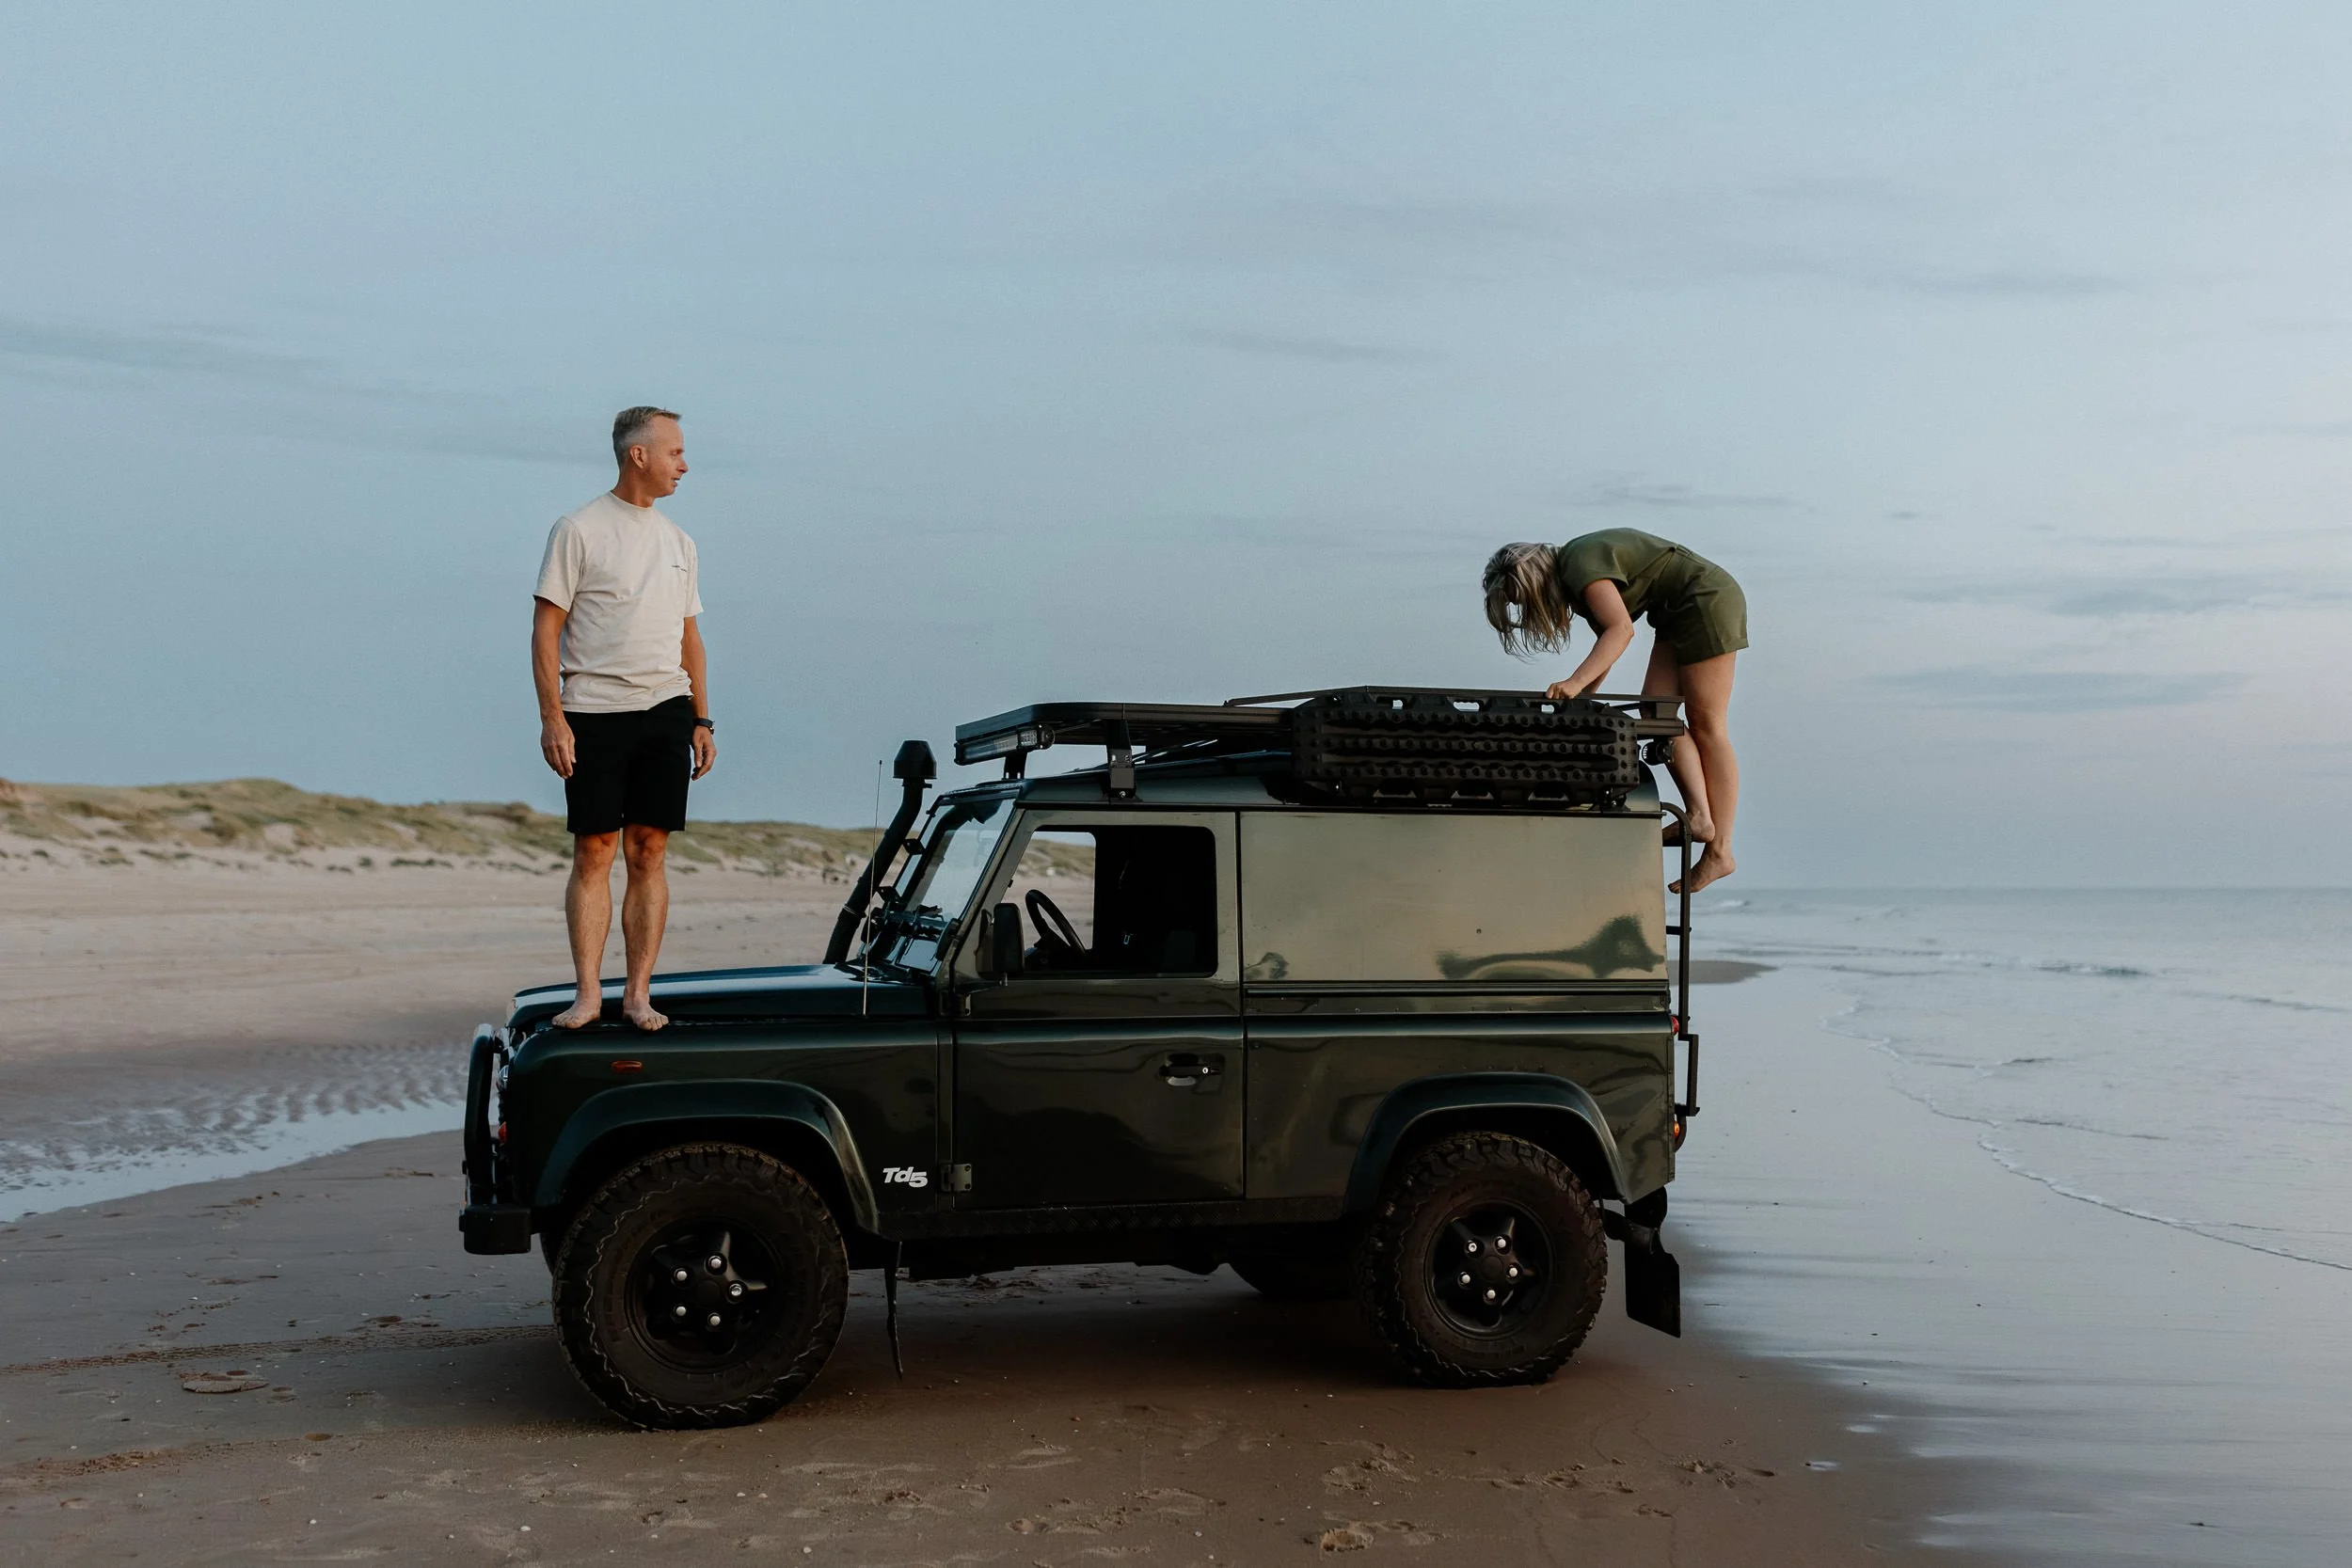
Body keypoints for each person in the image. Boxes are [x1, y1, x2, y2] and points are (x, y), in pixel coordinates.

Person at [532, 406, 716, 1030]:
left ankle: (637, 994)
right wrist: (552, 717)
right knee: (595, 850)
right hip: (593, 708)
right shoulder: (578, 529)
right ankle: (588, 995)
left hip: (666, 707)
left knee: (649, 850)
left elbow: (691, 639)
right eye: (675, 453)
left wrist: (702, 719)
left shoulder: (681, 542)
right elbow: (546, 629)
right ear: (639, 454)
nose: (684, 464)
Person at [1483, 528, 1744, 894]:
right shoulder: (1577, 586)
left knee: (1708, 725)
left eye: (1525, 600)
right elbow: (1608, 643)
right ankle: (1700, 818)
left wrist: (1574, 683)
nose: (1528, 610)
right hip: (1674, 613)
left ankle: (1721, 851)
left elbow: (1621, 630)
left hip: (1705, 599)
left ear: (1537, 580)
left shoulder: (1578, 562)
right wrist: (1583, 696)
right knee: (1658, 718)